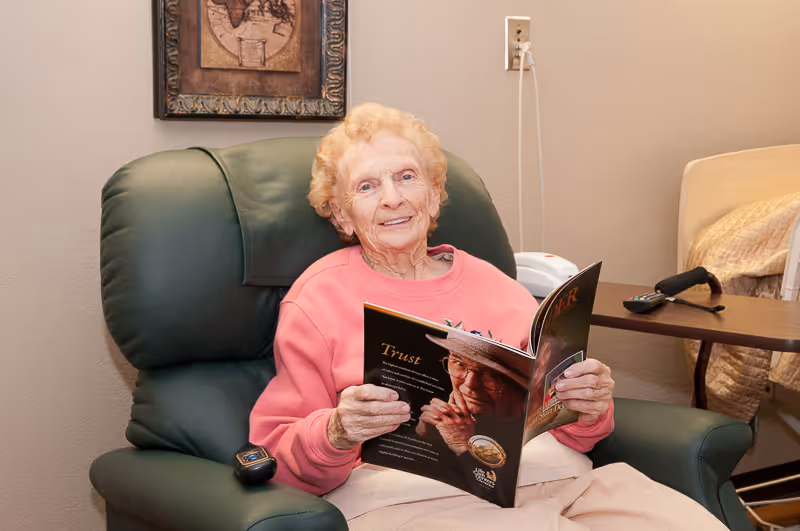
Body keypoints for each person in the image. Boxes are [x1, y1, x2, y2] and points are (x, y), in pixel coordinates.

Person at [249, 103, 728, 530]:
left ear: (434, 194)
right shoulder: (318, 300)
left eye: (407, 177)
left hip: (560, 479)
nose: (392, 198)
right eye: (368, 186)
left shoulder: (498, 286)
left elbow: (574, 434)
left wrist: (588, 406)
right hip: (411, 499)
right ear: (341, 215)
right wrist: (336, 431)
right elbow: (276, 458)